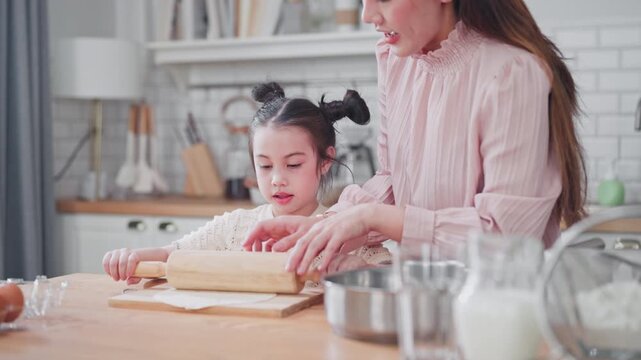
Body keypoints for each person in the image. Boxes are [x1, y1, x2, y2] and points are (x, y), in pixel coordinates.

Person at [243, 0, 586, 276]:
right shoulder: (398, 60)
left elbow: (506, 237)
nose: (368, 15)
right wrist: (326, 225)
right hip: (422, 301)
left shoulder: (511, 74)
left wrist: (370, 218)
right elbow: (394, 178)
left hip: (501, 317)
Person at [102, 82, 391, 284]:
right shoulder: (235, 227)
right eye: (264, 166)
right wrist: (131, 258)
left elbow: (388, 275)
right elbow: (170, 254)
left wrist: (360, 270)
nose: (277, 179)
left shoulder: (347, 233)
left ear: (325, 160)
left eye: (292, 164)